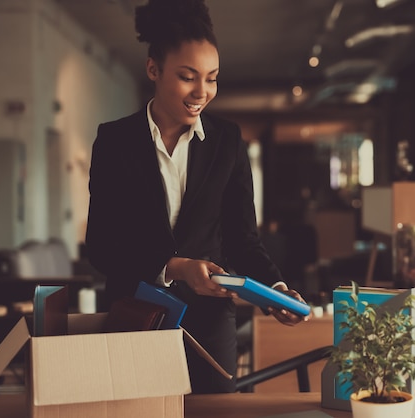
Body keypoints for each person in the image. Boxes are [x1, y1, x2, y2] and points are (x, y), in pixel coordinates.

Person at [85, 0, 310, 394]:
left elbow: (243, 240)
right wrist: (174, 267)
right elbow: (102, 247)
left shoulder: (227, 142)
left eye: (212, 78)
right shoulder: (115, 142)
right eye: (188, 77)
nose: (202, 93)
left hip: (209, 322)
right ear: (153, 69)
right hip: (135, 314)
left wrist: (274, 292)